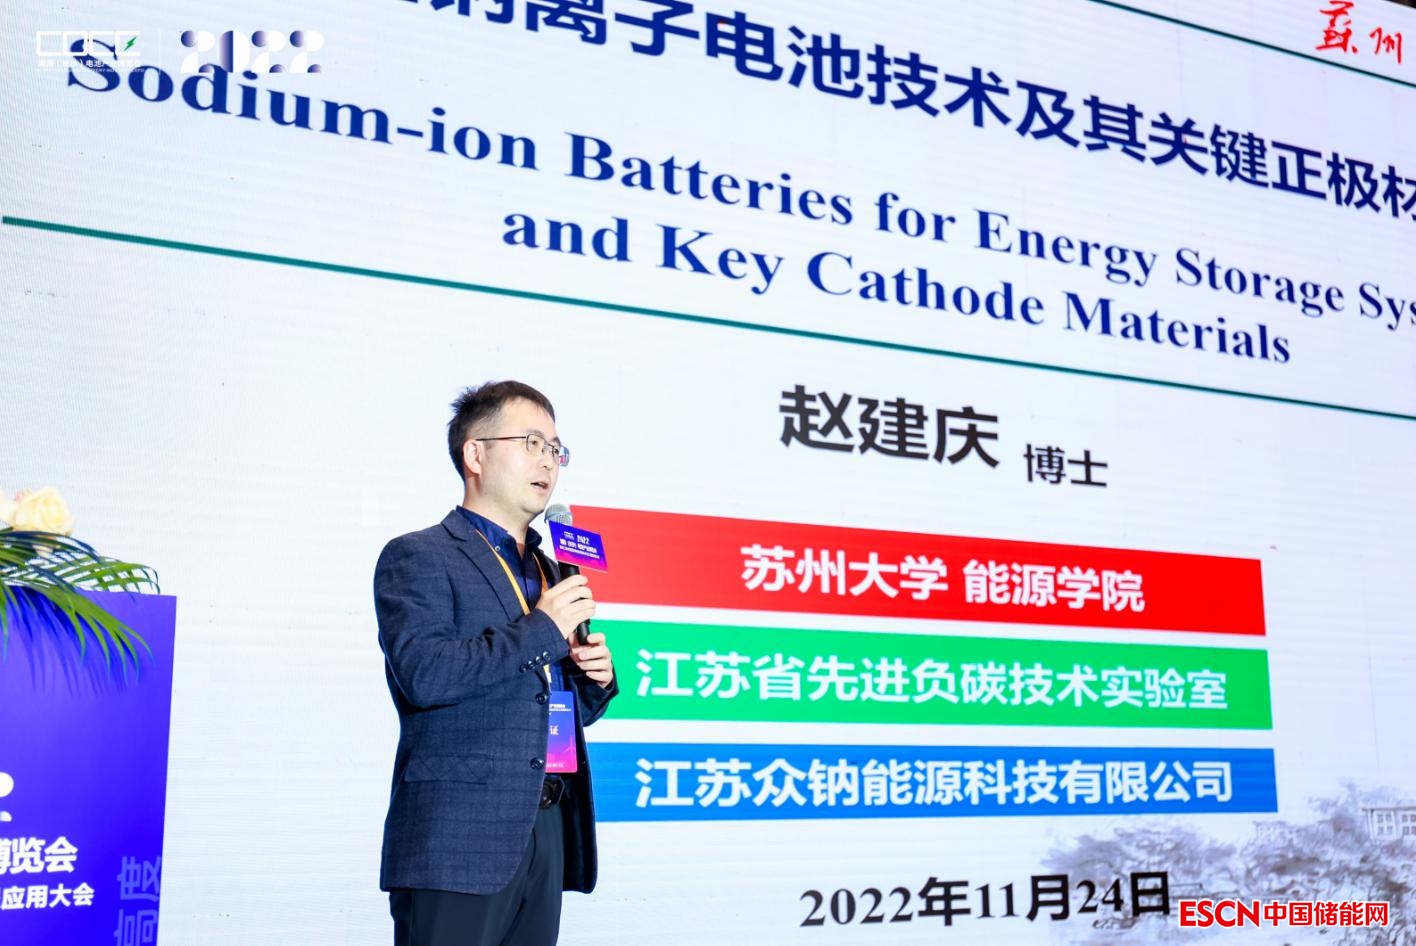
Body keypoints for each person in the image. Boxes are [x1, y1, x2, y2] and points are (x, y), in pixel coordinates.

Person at [374, 380, 617, 946]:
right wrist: (542, 629)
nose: (548, 461)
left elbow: (545, 701)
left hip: (547, 825)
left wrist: (591, 678)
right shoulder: (420, 555)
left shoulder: (551, 569)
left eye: (555, 448)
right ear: (475, 454)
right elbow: (426, 675)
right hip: (457, 838)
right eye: (531, 443)